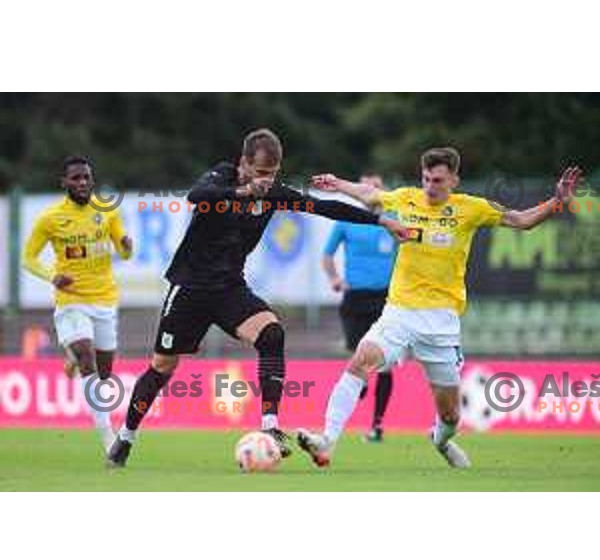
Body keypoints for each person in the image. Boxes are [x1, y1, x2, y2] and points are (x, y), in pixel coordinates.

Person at [107, 128, 407, 468]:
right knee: (162, 368)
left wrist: (381, 220)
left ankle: (270, 427)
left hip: (229, 289)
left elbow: (327, 208)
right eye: (261, 172)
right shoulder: (222, 177)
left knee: (271, 333)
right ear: (243, 163)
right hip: (189, 288)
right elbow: (196, 195)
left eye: (273, 174)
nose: (267, 180)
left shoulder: (275, 194)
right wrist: (244, 190)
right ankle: (126, 438)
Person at [298, 148, 581, 469]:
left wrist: (557, 201)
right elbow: (369, 193)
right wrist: (338, 183)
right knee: (360, 361)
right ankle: (326, 441)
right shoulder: (406, 199)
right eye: (426, 178)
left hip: (442, 323)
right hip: (399, 313)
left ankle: (441, 439)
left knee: (450, 415)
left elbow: (521, 220)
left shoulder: (471, 208)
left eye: (438, 180)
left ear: (454, 180)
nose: (430, 186)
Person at [22, 156, 133, 451]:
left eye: (86, 177)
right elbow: (28, 258)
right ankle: (108, 437)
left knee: (106, 373)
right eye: (76, 178)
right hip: (71, 301)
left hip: (105, 299)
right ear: (64, 182)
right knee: (88, 359)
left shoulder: (106, 211)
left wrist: (126, 247)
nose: (82, 183)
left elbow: (124, 253)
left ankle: (71, 356)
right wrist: (52, 275)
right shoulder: (51, 218)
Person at [322, 173, 397, 442]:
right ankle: (358, 389)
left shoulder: (394, 219)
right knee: (359, 361)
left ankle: (377, 426)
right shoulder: (347, 219)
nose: (370, 190)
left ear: (382, 189)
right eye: (366, 186)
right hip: (355, 299)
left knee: (386, 364)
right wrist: (334, 279)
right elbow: (327, 254)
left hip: (387, 299)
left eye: (376, 186)